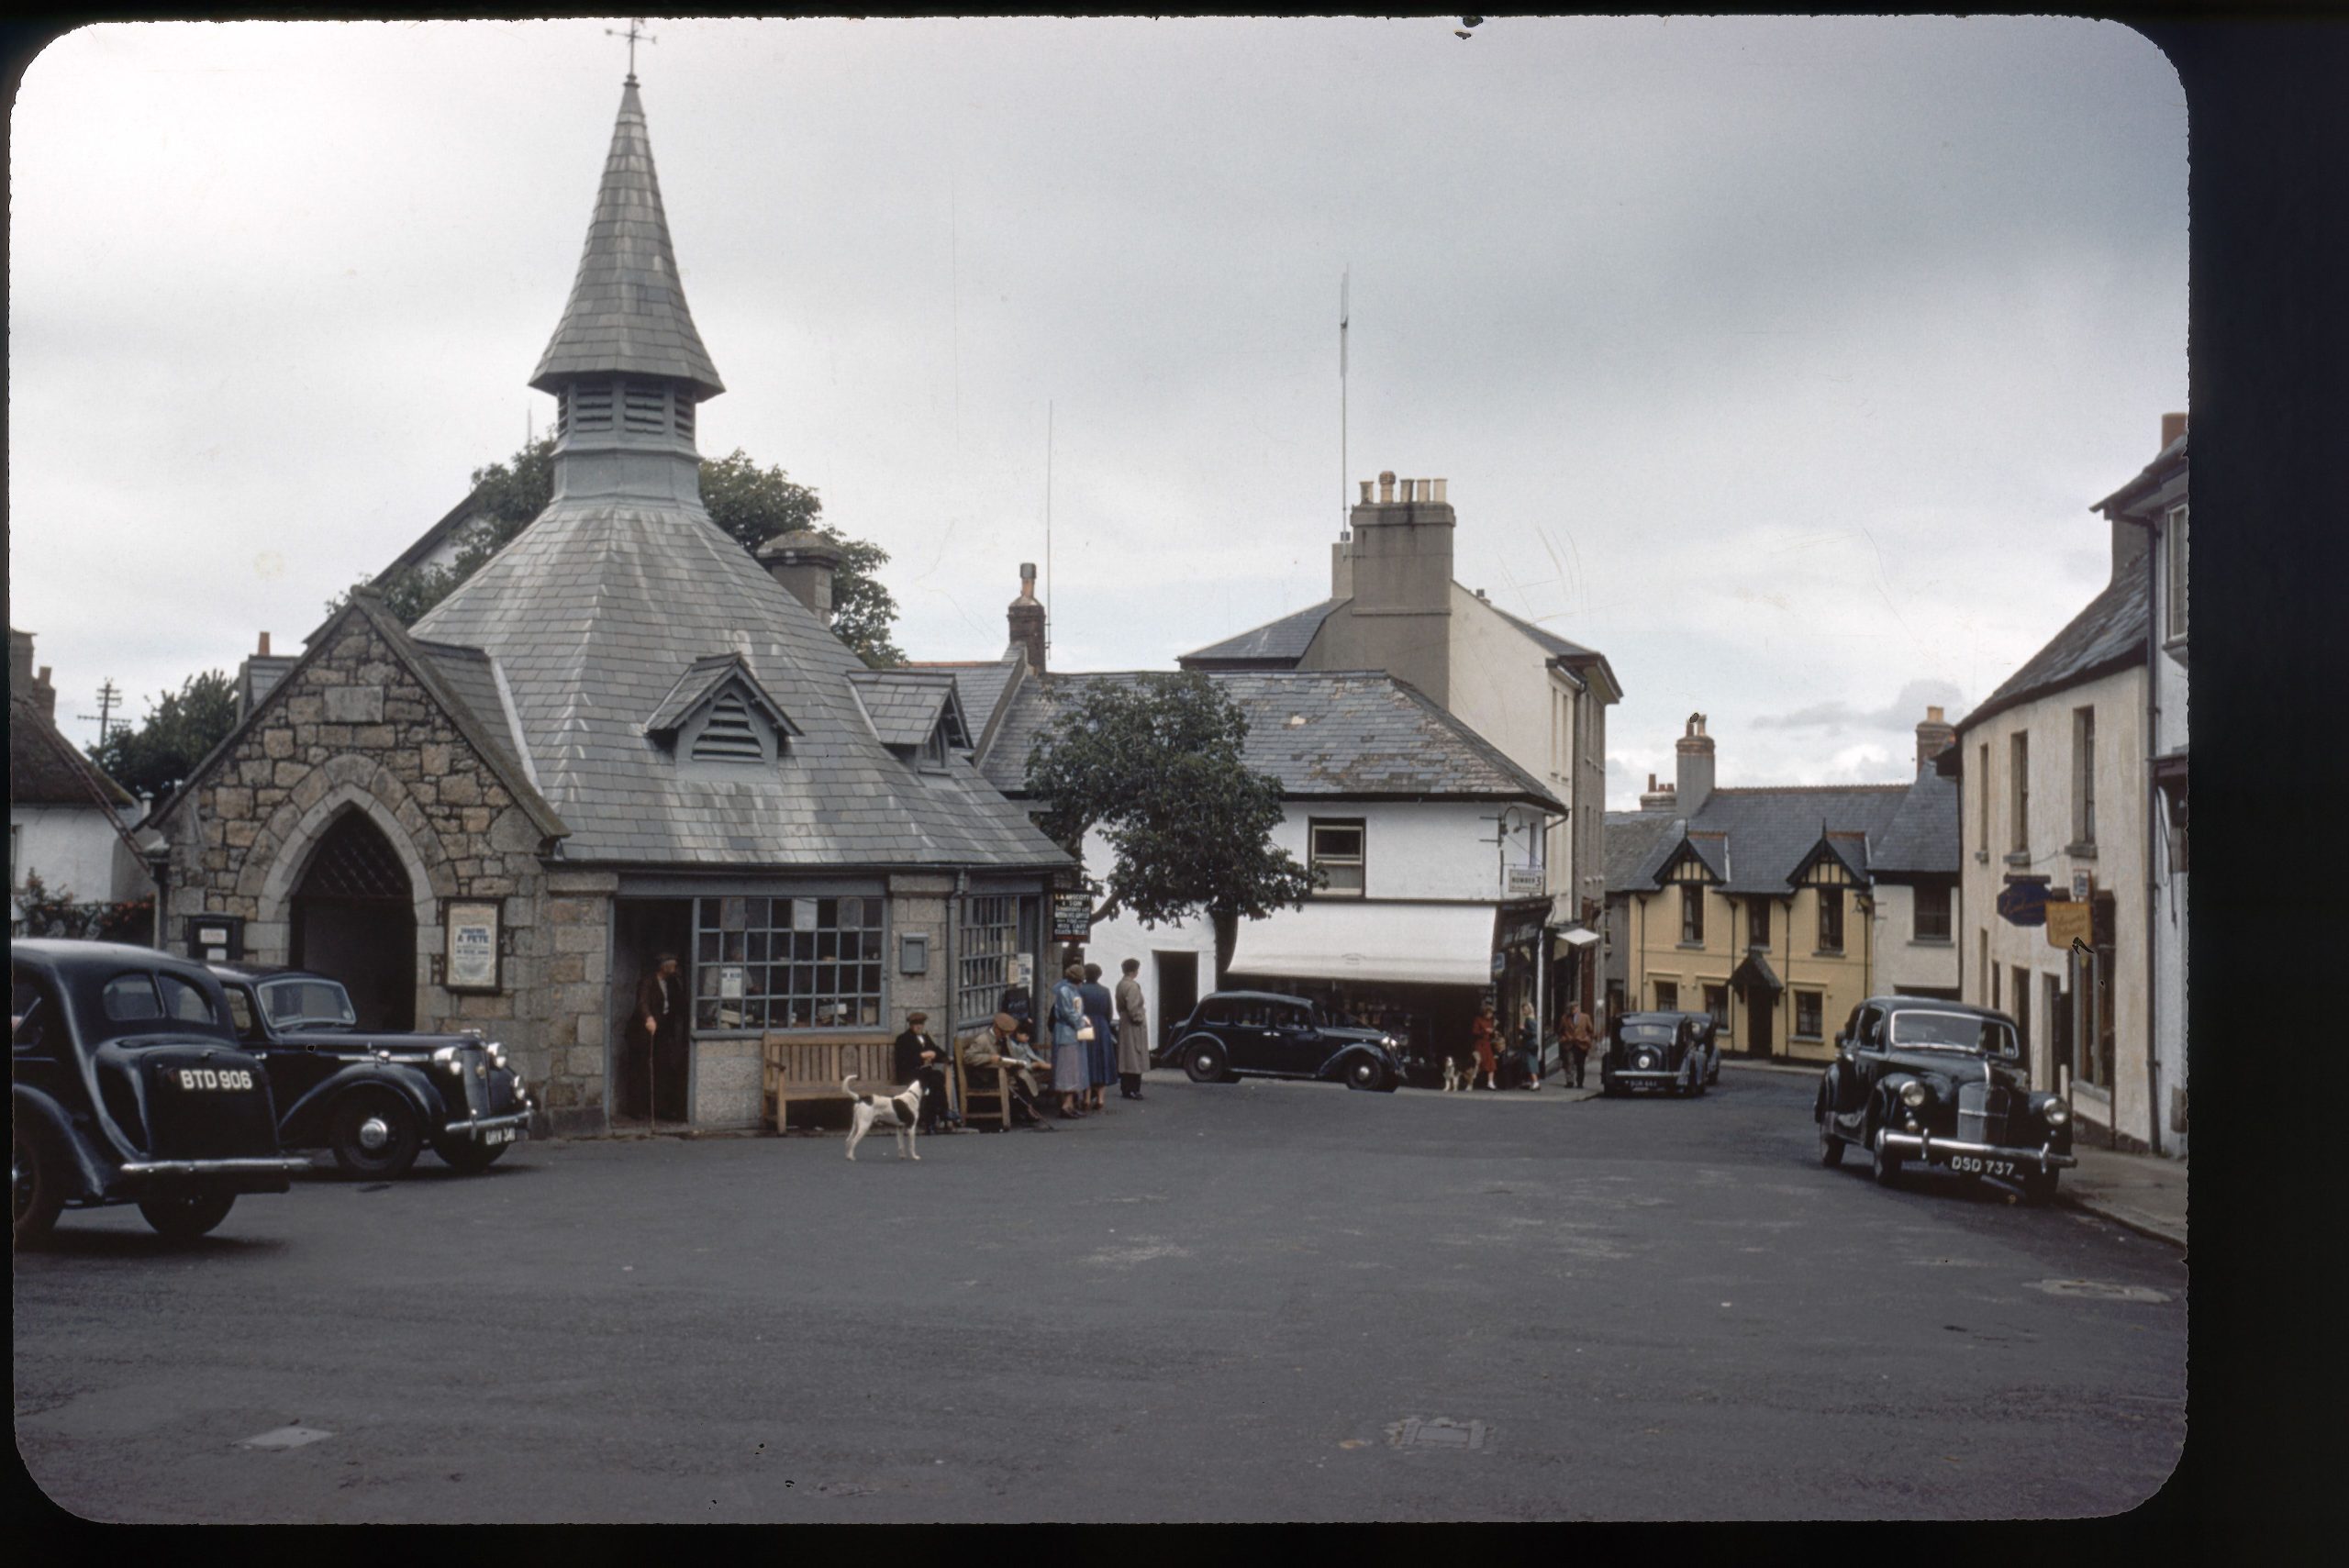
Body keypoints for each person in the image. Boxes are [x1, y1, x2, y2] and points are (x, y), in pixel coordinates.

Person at [963, 1011, 1053, 1129]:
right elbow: (968, 1057)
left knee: (1023, 1074)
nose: (1006, 1036)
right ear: (997, 1029)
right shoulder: (983, 1039)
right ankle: (1025, 1109)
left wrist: (1015, 1062)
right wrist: (989, 1058)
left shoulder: (1004, 1039)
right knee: (1017, 1078)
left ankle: (1028, 1108)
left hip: (1004, 1070)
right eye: (1005, 1033)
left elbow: (1010, 1055)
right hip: (987, 1075)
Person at [629, 952, 688, 1121]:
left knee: (662, 1068)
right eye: (673, 965)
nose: (675, 968)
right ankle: (637, 1108)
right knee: (641, 1069)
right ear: (665, 966)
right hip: (642, 1031)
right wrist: (648, 1018)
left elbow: (679, 1002)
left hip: (662, 1030)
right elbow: (642, 1002)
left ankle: (660, 1107)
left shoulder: (672, 983)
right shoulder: (648, 981)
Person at [892, 1010, 953, 1134]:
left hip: (925, 1074)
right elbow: (904, 1060)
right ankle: (942, 1113)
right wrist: (922, 1057)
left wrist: (941, 1056)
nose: (919, 1027)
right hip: (909, 1074)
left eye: (921, 1024)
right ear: (910, 1025)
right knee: (932, 1080)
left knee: (935, 1080)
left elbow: (937, 1051)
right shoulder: (903, 1039)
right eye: (916, 1024)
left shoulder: (925, 1038)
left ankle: (933, 1120)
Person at [1049, 962, 1090, 1119]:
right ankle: (1066, 1105)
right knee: (1068, 1069)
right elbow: (1069, 1012)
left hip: (1072, 1033)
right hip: (1066, 1034)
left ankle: (1070, 1103)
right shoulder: (1066, 991)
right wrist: (1081, 1023)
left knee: (1073, 1069)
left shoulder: (1071, 990)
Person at [1079, 962, 1118, 1112]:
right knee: (1101, 1061)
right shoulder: (1105, 991)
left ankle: (1087, 1098)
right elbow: (1109, 1012)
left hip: (1085, 1024)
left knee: (1086, 1060)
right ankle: (1101, 1098)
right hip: (1101, 1026)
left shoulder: (1081, 990)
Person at [1113, 957, 1151, 1100]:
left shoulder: (1120, 984)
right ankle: (1134, 1088)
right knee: (1136, 1055)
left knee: (1126, 1055)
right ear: (1133, 971)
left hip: (1124, 1022)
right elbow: (1133, 1007)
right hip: (1133, 1025)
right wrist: (1139, 1019)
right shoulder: (1133, 986)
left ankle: (1126, 1087)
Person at [1562, 1002, 1595, 1088]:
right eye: (1571, 1009)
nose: (1573, 1010)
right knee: (1569, 1063)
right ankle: (1570, 1081)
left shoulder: (1585, 1017)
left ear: (1578, 1008)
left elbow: (1590, 1030)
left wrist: (1587, 1039)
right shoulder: (1565, 1018)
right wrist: (1564, 1038)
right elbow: (1560, 1030)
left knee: (1580, 1065)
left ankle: (1580, 1082)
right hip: (1570, 1044)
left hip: (1581, 1044)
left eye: (1574, 1008)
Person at [1470, 999, 1498, 1091]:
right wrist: (1484, 1031)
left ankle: (1490, 1082)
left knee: (1491, 1063)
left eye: (1492, 1014)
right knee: (1478, 1063)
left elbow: (1492, 1031)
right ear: (1485, 1013)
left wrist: (1494, 1032)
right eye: (1489, 1013)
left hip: (1487, 1043)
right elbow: (1474, 1032)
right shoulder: (1478, 1020)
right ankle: (1470, 1080)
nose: (1491, 1015)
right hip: (1480, 1044)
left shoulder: (1491, 1021)